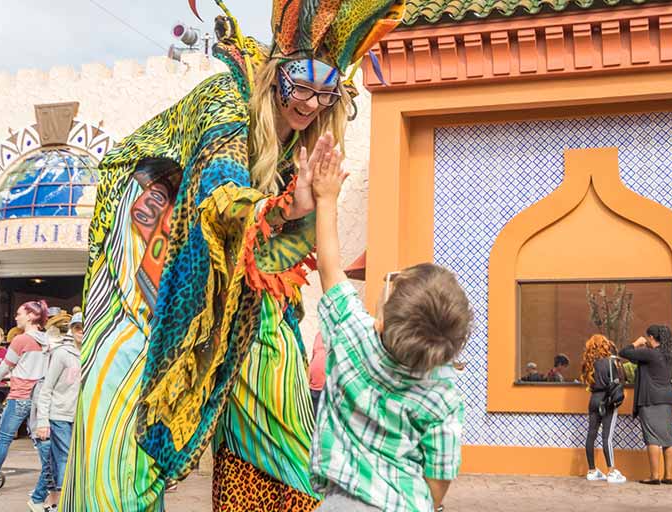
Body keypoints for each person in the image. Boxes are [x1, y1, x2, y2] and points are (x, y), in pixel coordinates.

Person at [61, 2, 406, 511]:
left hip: (227, 272)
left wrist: (300, 208)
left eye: (326, 93)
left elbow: (279, 251)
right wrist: (286, 205)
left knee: (280, 362)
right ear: (275, 75)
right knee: (121, 411)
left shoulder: (299, 149)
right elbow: (220, 191)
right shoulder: (226, 99)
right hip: (146, 247)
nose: (311, 104)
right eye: (301, 86)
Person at [308, 146, 471, 512]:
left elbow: (329, 267)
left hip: (338, 503)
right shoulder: (442, 390)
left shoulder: (352, 335)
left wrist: (326, 197)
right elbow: (440, 473)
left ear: (381, 320)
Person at [0, 300, 49, 497]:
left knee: (3, 439)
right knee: (40, 441)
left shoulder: (21, 340)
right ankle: (50, 481)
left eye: (19, 314)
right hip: (39, 397)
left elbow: (5, 366)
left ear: (31, 316)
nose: (16, 317)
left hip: (20, 396)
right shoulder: (47, 340)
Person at [32, 311, 83, 511]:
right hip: (59, 414)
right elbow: (47, 388)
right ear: (72, 330)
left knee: (58, 459)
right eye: (78, 328)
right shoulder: (62, 353)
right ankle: (63, 503)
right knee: (64, 457)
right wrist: (42, 421)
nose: (81, 332)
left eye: (84, 328)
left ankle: (45, 501)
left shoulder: (90, 352)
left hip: (78, 416)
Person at [621, 325, 672, 485]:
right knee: (667, 438)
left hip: (650, 399)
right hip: (667, 398)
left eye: (647, 337)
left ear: (652, 337)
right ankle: (668, 476)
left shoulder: (650, 354)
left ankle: (654, 476)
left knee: (652, 437)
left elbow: (624, 352)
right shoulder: (668, 356)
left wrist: (637, 343)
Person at [580, 335, 626, 484]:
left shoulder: (590, 364)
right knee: (607, 437)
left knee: (591, 435)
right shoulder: (610, 362)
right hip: (607, 401)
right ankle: (611, 471)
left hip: (593, 400)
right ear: (604, 346)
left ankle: (592, 470)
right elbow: (616, 382)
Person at [308, 332, 326, 413]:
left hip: (324, 387)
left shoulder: (338, 335)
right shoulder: (319, 335)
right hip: (312, 385)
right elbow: (314, 356)